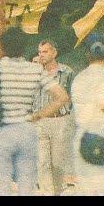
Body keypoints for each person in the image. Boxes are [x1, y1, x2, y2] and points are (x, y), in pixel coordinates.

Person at [0, 27, 70, 196]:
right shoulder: (35, 69)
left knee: (1, 179)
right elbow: (62, 97)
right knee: (27, 180)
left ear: (2, 47)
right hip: (27, 129)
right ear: (25, 46)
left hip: (1, 130)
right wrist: (39, 114)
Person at [70, 33, 104, 195]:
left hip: (82, 135)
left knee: (86, 190)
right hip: (101, 135)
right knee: (103, 189)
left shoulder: (79, 77)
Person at [34, 40, 75, 196]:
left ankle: (57, 192)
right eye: (39, 52)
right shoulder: (36, 72)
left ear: (54, 53)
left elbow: (72, 94)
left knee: (57, 162)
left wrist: (67, 111)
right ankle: (46, 192)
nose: (41, 55)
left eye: (45, 52)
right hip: (40, 121)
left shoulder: (66, 72)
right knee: (42, 162)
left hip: (59, 120)